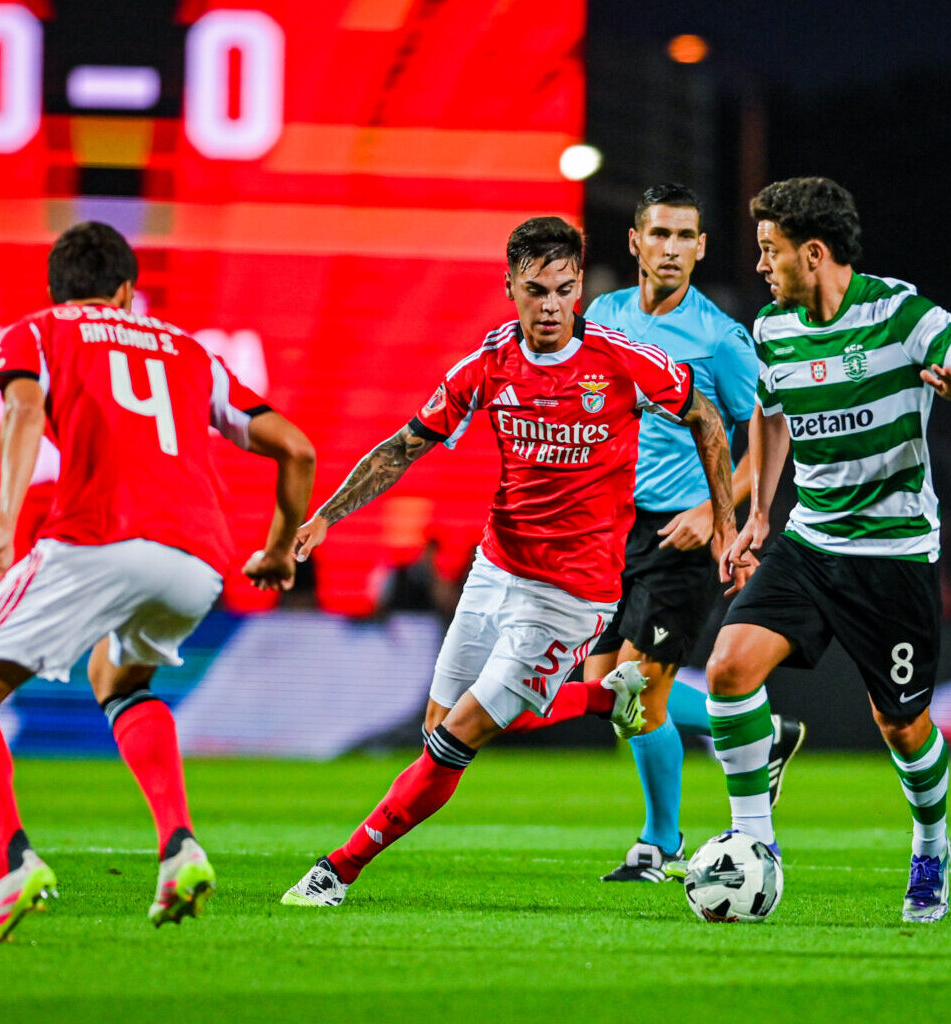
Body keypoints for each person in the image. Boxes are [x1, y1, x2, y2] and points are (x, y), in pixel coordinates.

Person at [279, 216, 740, 908]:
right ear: (510, 288)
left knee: (457, 737)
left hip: (572, 592)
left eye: (563, 289)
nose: (551, 306)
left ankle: (336, 870)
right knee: (444, 727)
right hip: (495, 570)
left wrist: (725, 521)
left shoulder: (621, 359)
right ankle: (599, 696)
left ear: (579, 285)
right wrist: (324, 517)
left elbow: (705, 415)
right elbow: (406, 444)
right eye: (535, 291)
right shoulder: (489, 362)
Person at [0, 222, 316, 943]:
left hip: (96, 536)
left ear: (57, 290)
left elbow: (20, 407)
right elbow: (296, 448)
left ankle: (9, 865)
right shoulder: (192, 351)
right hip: (198, 560)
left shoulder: (38, 330)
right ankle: (179, 846)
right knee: (118, 678)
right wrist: (280, 550)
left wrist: (4, 529)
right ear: (129, 291)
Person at [706, 177, 951, 923]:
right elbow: (770, 415)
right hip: (812, 542)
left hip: (894, 555)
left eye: (768, 251)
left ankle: (931, 844)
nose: (760, 266)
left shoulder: (899, 312)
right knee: (727, 670)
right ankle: (757, 844)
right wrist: (758, 516)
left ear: (813, 254)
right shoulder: (774, 328)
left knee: (902, 728)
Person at [499, 183, 806, 884]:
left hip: (683, 534)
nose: (671, 248)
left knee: (639, 692)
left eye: (685, 236)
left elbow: (767, 437)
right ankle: (763, 734)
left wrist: (714, 511)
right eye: (659, 234)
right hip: (609, 531)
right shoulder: (602, 315)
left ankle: (658, 843)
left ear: (701, 248)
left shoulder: (721, 341)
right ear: (634, 242)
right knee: (603, 684)